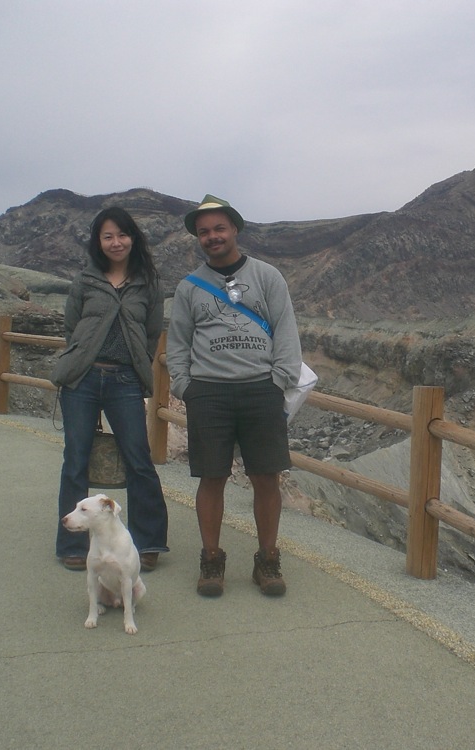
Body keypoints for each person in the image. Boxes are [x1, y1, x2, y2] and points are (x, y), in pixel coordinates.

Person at [166, 195, 301, 597]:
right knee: (212, 477)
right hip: (208, 393)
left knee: (265, 477)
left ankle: (268, 559)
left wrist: (279, 382)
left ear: (235, 229)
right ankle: (211, 559)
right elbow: (178, 343)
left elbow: (286, 331)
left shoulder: (268, 277)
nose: (212, 237)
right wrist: (184, 387)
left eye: (218, 228)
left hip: (261, 389)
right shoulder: (189, 287)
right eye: (203, 231)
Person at [51, 207, 169, 572]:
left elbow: (151, 333)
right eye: (108, 236)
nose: (116, 242)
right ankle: (73, 544)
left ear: (133, 238)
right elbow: (72, 327)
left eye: (122, 234)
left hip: (124, 381)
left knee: (138, 458)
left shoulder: (147, 284)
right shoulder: (86, 280)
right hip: (82, 379)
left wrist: (135, 362)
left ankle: (147, 541)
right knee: (76, 459)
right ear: (98, 242)